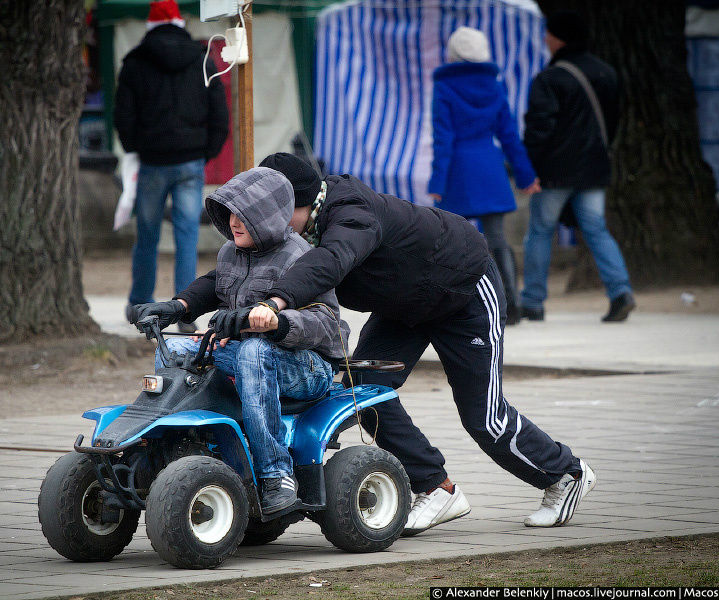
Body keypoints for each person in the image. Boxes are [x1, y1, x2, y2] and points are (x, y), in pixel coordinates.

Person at [174, 152, 596, 533]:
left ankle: (565, 474)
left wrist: (275, 302)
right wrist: (182, 304)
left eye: (277, 212)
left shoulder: (352, 213)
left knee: (482, 416)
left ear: (297, 205)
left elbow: (330, 260)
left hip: (463, 290)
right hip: (404, 308)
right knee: (360, 396)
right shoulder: (289, 231)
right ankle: (437, 487)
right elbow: (225, 277)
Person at [129, 167, 350, 514]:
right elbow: (213, 285)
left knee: (254, 350)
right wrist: (177, 307)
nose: (234, 221)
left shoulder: (301, 257)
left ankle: (276, 474)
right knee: (175, 348)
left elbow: (328, 325)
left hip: (308, 366)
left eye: (244, 214)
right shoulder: (232, 252)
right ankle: (175, 450)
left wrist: (275, 323)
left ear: (269, 216)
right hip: (252, 353)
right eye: (229, 212)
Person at [114, 0, 229, 329]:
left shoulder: (135, 62)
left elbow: (123, 116)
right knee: (187, 235)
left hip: (152, 162)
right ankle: (184, 311)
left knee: (147, 235)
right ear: (180, 22)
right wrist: (204, 152)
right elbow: (219, 116)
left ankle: (139, 304)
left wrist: (135, 148)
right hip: (190, 161)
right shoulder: (202, 59)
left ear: (150, 25)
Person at [520, 10, 635, 323]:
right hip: (594, 169)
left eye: (549, 34)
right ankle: (621, 292)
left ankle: (532, 301)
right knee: (597, 230)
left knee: (540, 232)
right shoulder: (607, 73)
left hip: (556, 171)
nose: (545, 39)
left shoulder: (550, 78)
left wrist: (529, 168)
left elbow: (539, 128)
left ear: (559, 39)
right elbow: (612, 123)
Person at [428, 26, 541, 325]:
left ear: (453, 54)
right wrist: (526, 176)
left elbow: (443, 139)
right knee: (498, 240)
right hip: (489, 167)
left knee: (456, 242)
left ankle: (457, 306)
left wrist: (437, 181)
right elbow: (509, 136)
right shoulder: (494, 85)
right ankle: (511, 305)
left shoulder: (444, 87)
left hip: (458, 172)